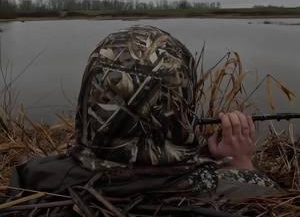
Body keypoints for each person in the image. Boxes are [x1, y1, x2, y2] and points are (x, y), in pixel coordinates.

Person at [12, 25, 278, 199]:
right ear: (181, 99)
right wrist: (240, 162)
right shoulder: (235, 190)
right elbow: (270, 200)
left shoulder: (32, 177)